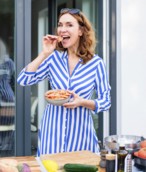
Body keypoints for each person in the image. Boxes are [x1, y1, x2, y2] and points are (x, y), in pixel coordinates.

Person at [17, 8, 111, 156]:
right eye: (60, 25)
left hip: (81, 136)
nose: (62, 29)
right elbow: (23, 79)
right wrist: (44, 53)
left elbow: (106, 101)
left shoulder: (96, 63)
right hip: (52, 133)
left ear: (80, 31)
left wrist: (82, 102)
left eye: (69, 25)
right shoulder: (53, 59)